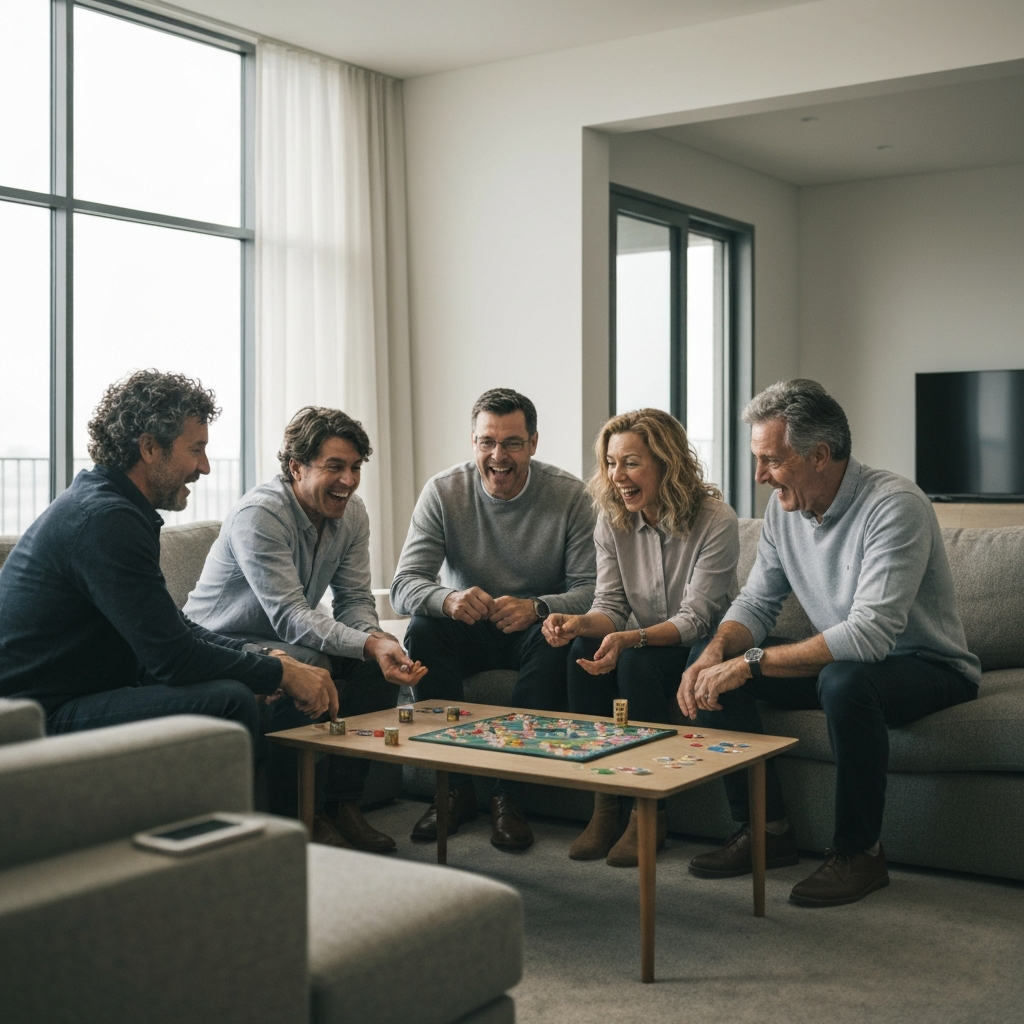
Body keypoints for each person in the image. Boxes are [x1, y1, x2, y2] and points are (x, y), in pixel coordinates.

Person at [680, 379, 980, 906]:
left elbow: (870, 633)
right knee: (713, 660)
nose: (758, 476)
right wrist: (714, 652)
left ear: (819, 455)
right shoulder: (782, 512)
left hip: (927, 666)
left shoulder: (895, 505)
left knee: (844, 683)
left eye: (771, 460)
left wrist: (751, 663)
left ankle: (859, 853)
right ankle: (766, 833)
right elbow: (755, 604)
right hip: (852, 663)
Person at [0, 370, 337, 778]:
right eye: (196, 449)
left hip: (82, 692)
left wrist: (262, 656)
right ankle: (222, 834)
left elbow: (172, 628)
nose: (206, 467)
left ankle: (287, 817)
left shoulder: (113, 507)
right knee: (228, 699)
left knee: (241, 681)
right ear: (149, 448)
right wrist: (280, 671)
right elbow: (173, 659)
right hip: (36, 716)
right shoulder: (106, 520)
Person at [185, 406, 426, 852]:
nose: (349, 480)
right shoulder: (261, 514)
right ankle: (299, 816)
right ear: (296, 467)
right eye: (335, 467)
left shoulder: (352, 515)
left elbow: (354, 601)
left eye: (355, 468)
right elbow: (292, 616)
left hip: (283, 636)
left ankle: (343, 805)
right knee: (309, 663)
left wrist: (378, 641)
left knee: (377, 661)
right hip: (220, 641)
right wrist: (368, 642)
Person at [390, 388, 597, 851]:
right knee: (422, 630)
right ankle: (454, 791)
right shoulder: (444, 491)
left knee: (555, 637)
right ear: (473, 442)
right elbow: (404, 586)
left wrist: (539, 607)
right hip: (470, 625)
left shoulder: (570, 497)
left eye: (512, 443)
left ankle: (509, 796)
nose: (498, 456)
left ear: (534, 443)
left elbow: (594, 591)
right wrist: (447, 600)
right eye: (487, 442)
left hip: (533, 627)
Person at [543, 408, 739, 866]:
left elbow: (695, 618)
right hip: (648, 639)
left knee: (637, 662)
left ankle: (648, 811)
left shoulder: (716, 520)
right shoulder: (612, 519)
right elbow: (610, 607)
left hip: (699, 649)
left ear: (666, 463)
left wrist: (632, 640)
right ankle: (605, 803)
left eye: (630, 462)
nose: (617, 476)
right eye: (611, 463)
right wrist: (575, 622)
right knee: (582, 647)